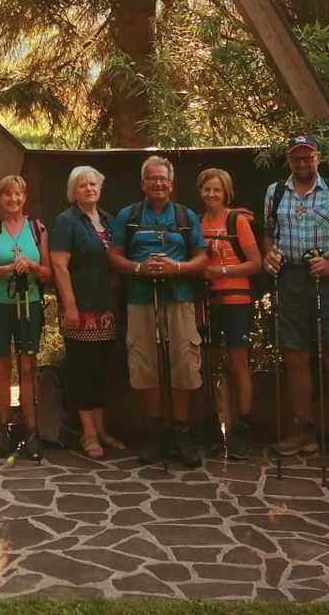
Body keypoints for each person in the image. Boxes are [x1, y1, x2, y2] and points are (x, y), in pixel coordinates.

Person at [260, 134, 329, 460]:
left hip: (328, 277)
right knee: (295, 353)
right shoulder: (276, 192)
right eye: (297, 158)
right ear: (289, 160)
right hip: (290, 278)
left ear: (318, 157)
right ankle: (302, 429)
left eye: (308, 157)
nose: (303, 163)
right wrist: (269, 255)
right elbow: (268, 233)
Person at [109, 155, 208, 467]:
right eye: (152, 179)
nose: (158, 183)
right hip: (140, 298)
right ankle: (155, 433)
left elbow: (201, 258)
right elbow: (114, 256)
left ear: (172, 184)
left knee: (184, 364)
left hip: (179, 297)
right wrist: (139, 268)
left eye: (163, 179)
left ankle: (181, 432)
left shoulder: (185, 216)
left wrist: (175, 267)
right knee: (145, 365)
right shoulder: (128, 215)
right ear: (143, 184)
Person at [49, 165, 126, 459]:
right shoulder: (66, 221)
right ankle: (88, 434)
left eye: (93, 184)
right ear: (73, 192)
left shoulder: (109, 220)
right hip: (79, 309)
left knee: (101, 370)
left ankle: (101, 429)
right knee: (82, 370)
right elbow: (59, 266)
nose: (89, 189)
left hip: (106, 309)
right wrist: (70, 306)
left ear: (100, 188)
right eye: (82, 185)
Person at [0, 176, 53, 461]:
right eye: (7, 195)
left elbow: (48, 273)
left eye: (18, 194)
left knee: (27, 366)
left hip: (28, 303)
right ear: (0, 198)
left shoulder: (37, 229)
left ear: (25, 197)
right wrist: (8, 268)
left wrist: (31, 266)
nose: (13, 199)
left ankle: (31, 431)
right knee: (1, 365)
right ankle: (3, 429)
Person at [196, 167, 262, 458]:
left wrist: (221, 271)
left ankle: (243, 427)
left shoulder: (237, 221)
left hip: (237, 299)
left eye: (217, 190)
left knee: (238, 363)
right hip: (208, 301)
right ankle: (212, 425)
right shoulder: (197, 223)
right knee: (209, 363)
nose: (212, 194)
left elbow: (255, 262)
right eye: (207, 189)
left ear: (226, 193)